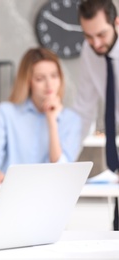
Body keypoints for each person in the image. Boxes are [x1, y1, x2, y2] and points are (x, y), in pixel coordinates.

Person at [0, 47, 82, 229]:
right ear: (28, 81)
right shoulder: (6, 112)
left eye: (54, 76)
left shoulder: (72, 120)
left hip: (46, 208)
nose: (49, 85)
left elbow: (62, 171)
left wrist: (52, 121)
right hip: (0, 205)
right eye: (40, 78)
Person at [73, 0, 119, 230]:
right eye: (89, 36)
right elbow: (83, 110)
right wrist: (65, 161)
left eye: (101, 34)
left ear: (116, 22)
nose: (96, 43)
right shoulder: (88, 52)